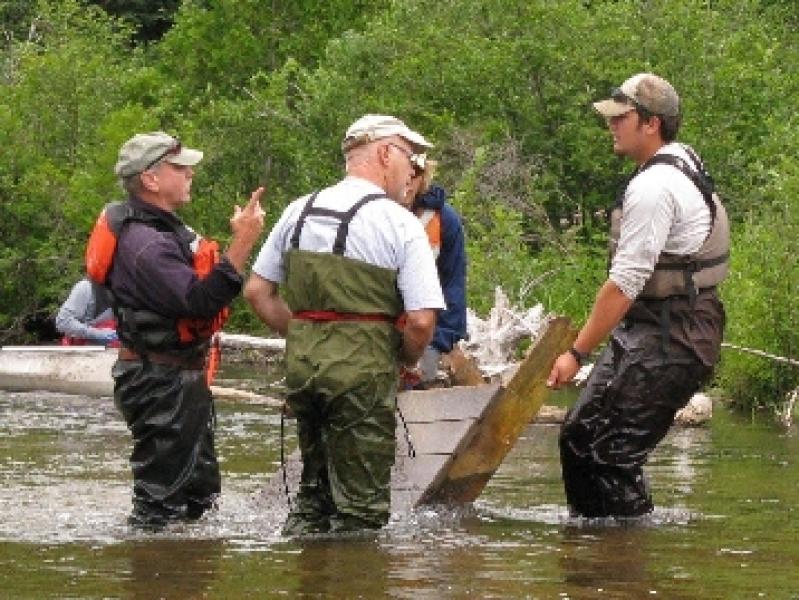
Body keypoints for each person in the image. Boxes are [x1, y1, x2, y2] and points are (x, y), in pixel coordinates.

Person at [244, 114, 445, 534]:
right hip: (362, 374)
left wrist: (304, 336)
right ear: (385, 154)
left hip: (304, 370)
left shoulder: (297, 210)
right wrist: (403, 359)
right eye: (409, 157)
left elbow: (257, 293)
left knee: (312, 499)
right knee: (361, 512)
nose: (413, 170)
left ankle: (305, 577)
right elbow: (423, 320)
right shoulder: (401, 223)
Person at [547, 73, 729, 518]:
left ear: (652, 124)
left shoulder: (655, 186)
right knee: (579, 437)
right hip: (652, 330)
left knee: (611, 457)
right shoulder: (680, 160)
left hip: (675, 336)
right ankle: (593, 556)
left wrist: (576, 351)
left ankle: (624, 564)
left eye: (621, 117)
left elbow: (625, 283)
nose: (612, 125)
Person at [84, 131, 265, 527]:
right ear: (151, 179)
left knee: (199, 495)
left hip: (175, 377)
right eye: (180, 168)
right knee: (160, 507)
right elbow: (200, 301)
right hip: (158, 382)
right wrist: (244, 241)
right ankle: (155, 576)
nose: (191, 173)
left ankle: (188, 575)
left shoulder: (159, 232)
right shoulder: (145, 244)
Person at [401, 161, 467, 386]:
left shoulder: (445, 219)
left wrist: (439, 341)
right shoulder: (373, 213)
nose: (409, 181)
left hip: (424, 331)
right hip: (376, 333)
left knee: (418, 386)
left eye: (416, 174)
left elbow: (453, 286)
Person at [55, 277, 118, 346]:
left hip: (111, 353)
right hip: (81, 352)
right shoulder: (85, 287)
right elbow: (63, 322)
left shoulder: (122, 291)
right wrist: (98, 334)